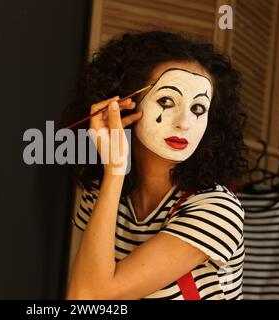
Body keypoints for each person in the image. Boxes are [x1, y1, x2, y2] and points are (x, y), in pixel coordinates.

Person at [65, 30, 248, 300]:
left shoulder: (217, 209)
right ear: (124, 105)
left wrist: (116, 171)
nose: (184, 122)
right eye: (166, 101)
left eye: (198, 109)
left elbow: (89, 296)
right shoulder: (99, 195)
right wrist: (114, 175)